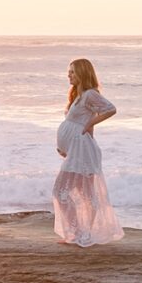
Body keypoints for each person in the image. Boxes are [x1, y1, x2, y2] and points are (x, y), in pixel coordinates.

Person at [53, 58, 124, 246]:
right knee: (76, 192)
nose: (69, 75)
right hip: (76, 150)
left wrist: (90, 123)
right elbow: (75, 123)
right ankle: (79, 232)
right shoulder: (78, 94)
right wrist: (65, 147)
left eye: (73, 72)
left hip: (82, 151)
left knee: (66, 192)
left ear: (82, 73)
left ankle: (83, 233)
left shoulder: (90, 94)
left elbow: (111, 109)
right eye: (69, 72)